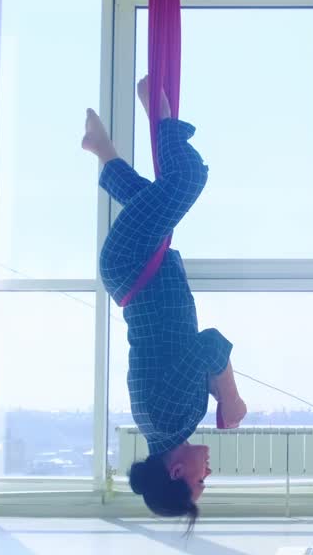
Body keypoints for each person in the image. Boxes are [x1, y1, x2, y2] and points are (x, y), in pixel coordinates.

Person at [81, 76, 247, 527]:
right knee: (149, 198)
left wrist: (230, 398)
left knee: (187, 178)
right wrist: (215, 387)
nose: (208, 474)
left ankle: (156, 108)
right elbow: (191, 355)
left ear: (176, 472)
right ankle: (101, 151)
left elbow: (211, 343)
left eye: (200, 483)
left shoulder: (171, 415)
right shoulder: (165, 424)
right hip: (137, 272)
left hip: (134, 266)